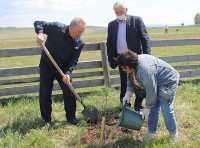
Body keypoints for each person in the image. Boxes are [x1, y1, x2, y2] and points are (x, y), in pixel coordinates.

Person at [116, 50, 179, 141]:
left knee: (165, 107)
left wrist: (147, 107)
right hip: (156, 80)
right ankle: (151, 133)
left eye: (123, 67)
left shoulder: (145, 70)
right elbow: (130, 78)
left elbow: (151, 91)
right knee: (153, 106)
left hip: (168, 80)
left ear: (128, 65)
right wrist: (128, 93)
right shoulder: (133, 65)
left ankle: (173, 134)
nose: (123, 69)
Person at [34, 17, 86, 125]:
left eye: (82, 32)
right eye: (79, 32)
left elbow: (74, 60)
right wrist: (40, 34)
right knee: (45, 92)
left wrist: (68, 73)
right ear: (71, 27)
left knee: (69, 91)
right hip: (47, 66)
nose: (80, 35)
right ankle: (46, 120)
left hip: (63, 69)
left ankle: (71, 117)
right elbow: (39, 23)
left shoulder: (79, 42)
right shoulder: (57, 28)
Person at [106, 1, 151, 111]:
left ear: (126, 10)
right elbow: (110, 43)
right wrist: (111, 59)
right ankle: (125, 105)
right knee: (124, 82)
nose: (119, 14)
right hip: (121, 59)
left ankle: (139, 106)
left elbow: (145, 39)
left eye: (121, 11)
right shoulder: (111, 25)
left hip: (135, 59)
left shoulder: (137, 21)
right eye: (117, 12)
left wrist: (147, 57)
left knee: (139, 82)